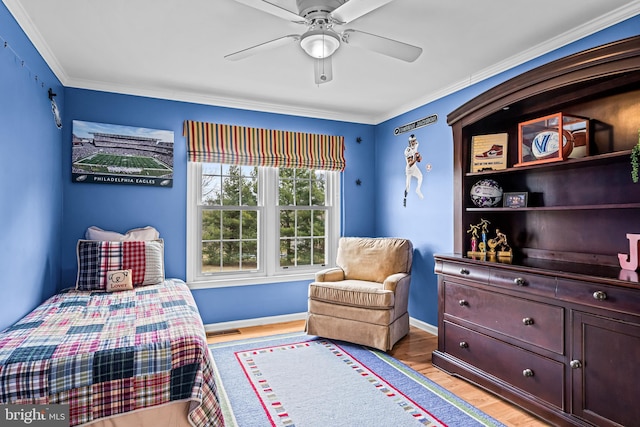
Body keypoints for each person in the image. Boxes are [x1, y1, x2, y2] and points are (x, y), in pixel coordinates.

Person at [403, 134, 423, 206]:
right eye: (412, 141)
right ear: (409, 142)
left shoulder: (417, 144)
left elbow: (416, 154)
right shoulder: (408, 150)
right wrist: (415, 159)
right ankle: (405, 198)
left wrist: (418, 156)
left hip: (414, 167)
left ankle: (418, 189)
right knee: (408, 186)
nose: (413, 142)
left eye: (414, 141)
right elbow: (410, 164)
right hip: (409, 169)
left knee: (420, 176)